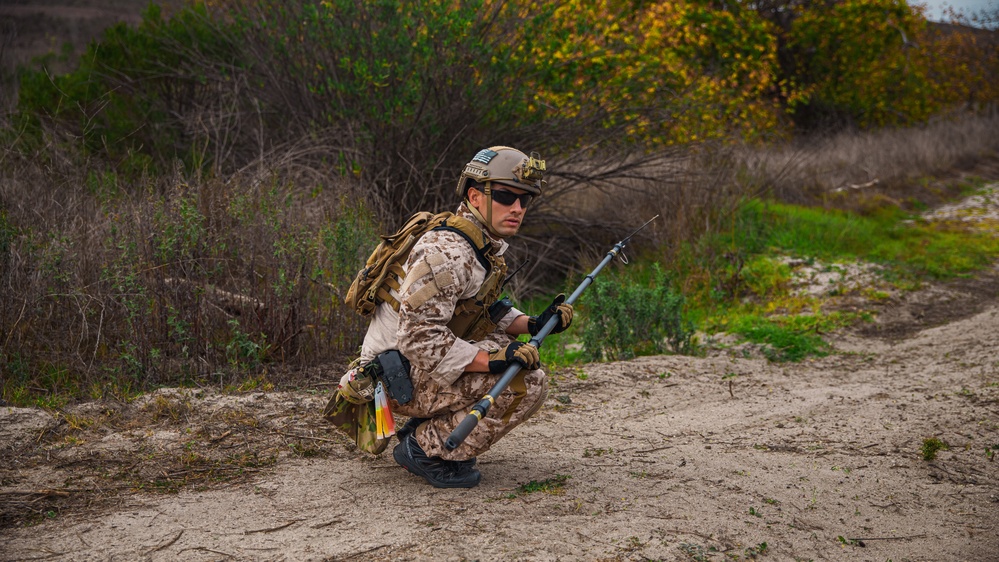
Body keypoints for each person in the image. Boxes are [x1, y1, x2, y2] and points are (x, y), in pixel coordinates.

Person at [356, 146, 573, 488]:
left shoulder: (478, 241)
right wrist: (492, 361)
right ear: (475, 195)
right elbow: (419, 338)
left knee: (509, 349)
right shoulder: (446, 252)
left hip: (407, 367)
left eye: (525, 200)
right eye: (505, 196)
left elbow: (480, 309)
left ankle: (424, 428)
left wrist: (533, 324)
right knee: (525, 381)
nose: (517, 208)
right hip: (389, 380)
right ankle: (425, 449)